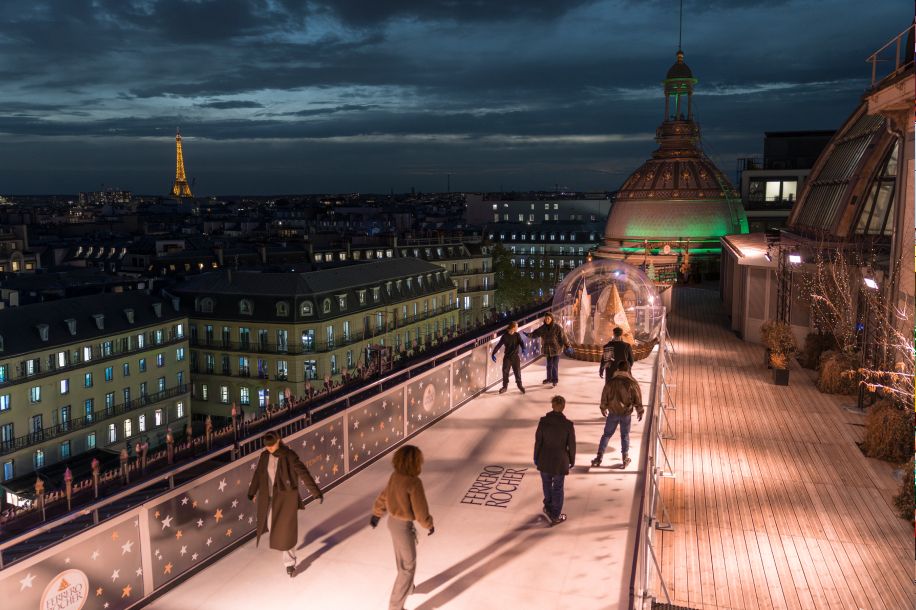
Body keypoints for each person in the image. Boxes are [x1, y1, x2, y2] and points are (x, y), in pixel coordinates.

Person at [247, 430, 323, 577]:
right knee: (271, 525)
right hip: (269, 498)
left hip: (286, 499)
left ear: (278, 441)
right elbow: (258, 474)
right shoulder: (264, 456)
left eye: (272, 445)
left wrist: (316, 493)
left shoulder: (289, 455)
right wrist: (252, 492)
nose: (269, 448)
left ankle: (289, 563)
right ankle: (287, 549)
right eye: (267, 446)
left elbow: (303, 473)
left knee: (285, 531)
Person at [370, 445, 435, 610]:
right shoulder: (414, 482)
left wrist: (377, 514)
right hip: (403, 527)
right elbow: (420, 510)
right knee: (408, 566)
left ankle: (408, 588)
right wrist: (428, 524)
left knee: (402, 560)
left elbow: (384, 496)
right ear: (416, 462)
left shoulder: (395, 476)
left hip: (392, 523)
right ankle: (395, 606)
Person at [591, 361, 644, 468]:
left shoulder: (611, 382)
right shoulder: (632, 383)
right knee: (625, 435)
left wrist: (603, 407)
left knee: (606, 435)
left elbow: (605, 394)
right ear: (628, 370)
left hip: (613, 413)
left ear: (618, 369)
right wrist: (640, 410)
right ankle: (625, 458)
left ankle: (599, 457)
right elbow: (637, 398)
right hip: (626, 413)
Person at [534, 395, 576, 525]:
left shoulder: (543, 421)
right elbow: (572, 445)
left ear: (552, 405)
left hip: (544, 459)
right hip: (560, 462)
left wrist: (536, 457)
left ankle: (548, 506)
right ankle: (555, 515)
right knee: (557, 488)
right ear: (563, 407)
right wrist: (572, 460)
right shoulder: (568, 425)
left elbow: (538, 441)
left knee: (546, 484)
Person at [531, 312, 571, 387]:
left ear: (551, 319)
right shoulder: (543, 328)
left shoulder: (557, 327)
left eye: (548, 318)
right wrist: (529, 335)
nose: (547, 320)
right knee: (549, 365)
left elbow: (563, 337)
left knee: (554, 365)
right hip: (547, 349)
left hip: (556, 349)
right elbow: (536, 333)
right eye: (546, 318)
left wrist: (568, 346)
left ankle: (555, 380)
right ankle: (549, 379)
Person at [491, 321, 526, 394]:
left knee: (517, 372)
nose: (517, 327)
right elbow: (499, 345)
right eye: (516, 326)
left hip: (515, 357)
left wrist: (523, 348)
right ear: (513, 327)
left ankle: (520, 385)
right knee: (505, 372)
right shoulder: (505, 336)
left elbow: (521, 342)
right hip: (507, 357)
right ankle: (505, 387)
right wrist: (493, 353)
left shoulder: (517, 335)